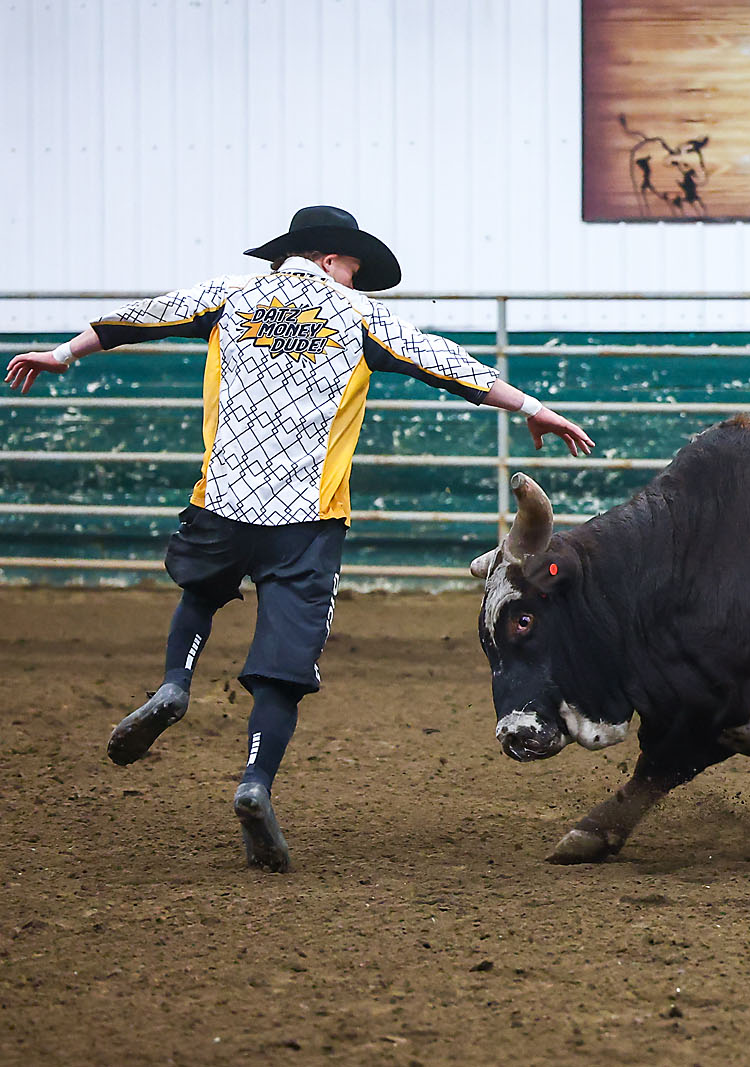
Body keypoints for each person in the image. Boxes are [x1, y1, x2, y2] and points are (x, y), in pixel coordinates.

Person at [4, 205, 594, 873]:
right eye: (354, 267)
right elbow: (448, 363)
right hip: (306, 522)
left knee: (200, 593)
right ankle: (255, 781)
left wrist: (61, 352)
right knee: (282, 672)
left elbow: (142, 314)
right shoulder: (360, 318)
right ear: (329, 258)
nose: (357, 279)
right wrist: (534, 409)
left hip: (223, 501)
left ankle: (175, 681)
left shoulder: (231, 295)